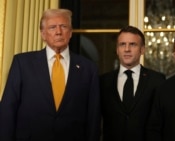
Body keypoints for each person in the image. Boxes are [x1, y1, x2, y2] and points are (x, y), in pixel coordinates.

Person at [0, 9, 101, 141]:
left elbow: (93, 116)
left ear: (70, 33)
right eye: (52, 27)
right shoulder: (22, 63)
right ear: (43, 34)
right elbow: (8, 109)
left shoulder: (88, 68)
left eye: (63, 27)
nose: (58, 32)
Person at [100, 25, 166, 141]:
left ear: (142, 50)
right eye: (122, 44)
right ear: (117, 50)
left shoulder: (157, 81)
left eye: (132, 44)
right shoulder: (103, 82)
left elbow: (163, 122)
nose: (127, 49)